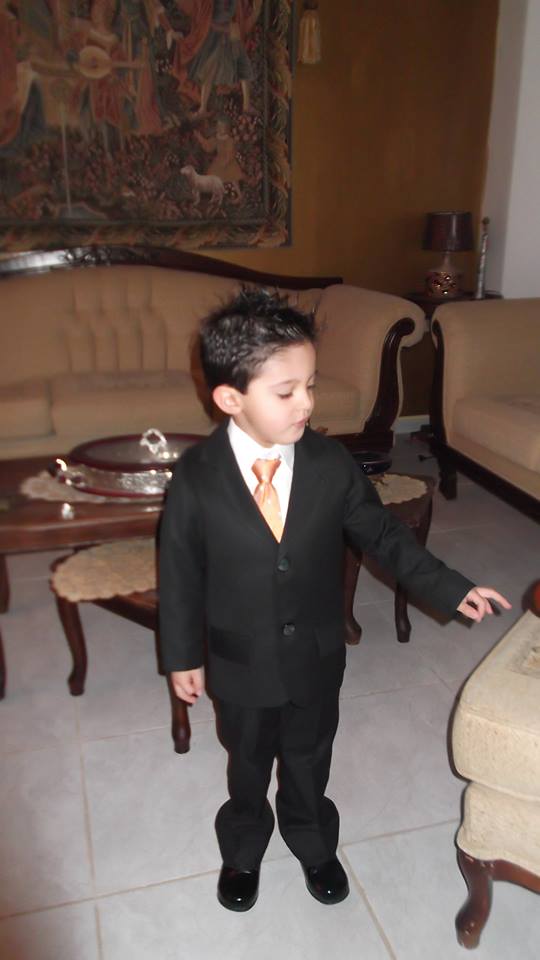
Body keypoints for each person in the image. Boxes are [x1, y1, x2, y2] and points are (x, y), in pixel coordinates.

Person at [158, 289, 511, 913]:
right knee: (247, 762)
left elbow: (382, 535)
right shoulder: (194, 477)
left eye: (311, 385)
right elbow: (180, 573)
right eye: (286, 392)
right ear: (230, 398)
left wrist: (450, 586)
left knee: (309, 755)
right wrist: (183, 656)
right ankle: (243, 845)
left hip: (317, 655)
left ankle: (312, 838)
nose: (307, 404)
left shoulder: (330, 463)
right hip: (240, 661)